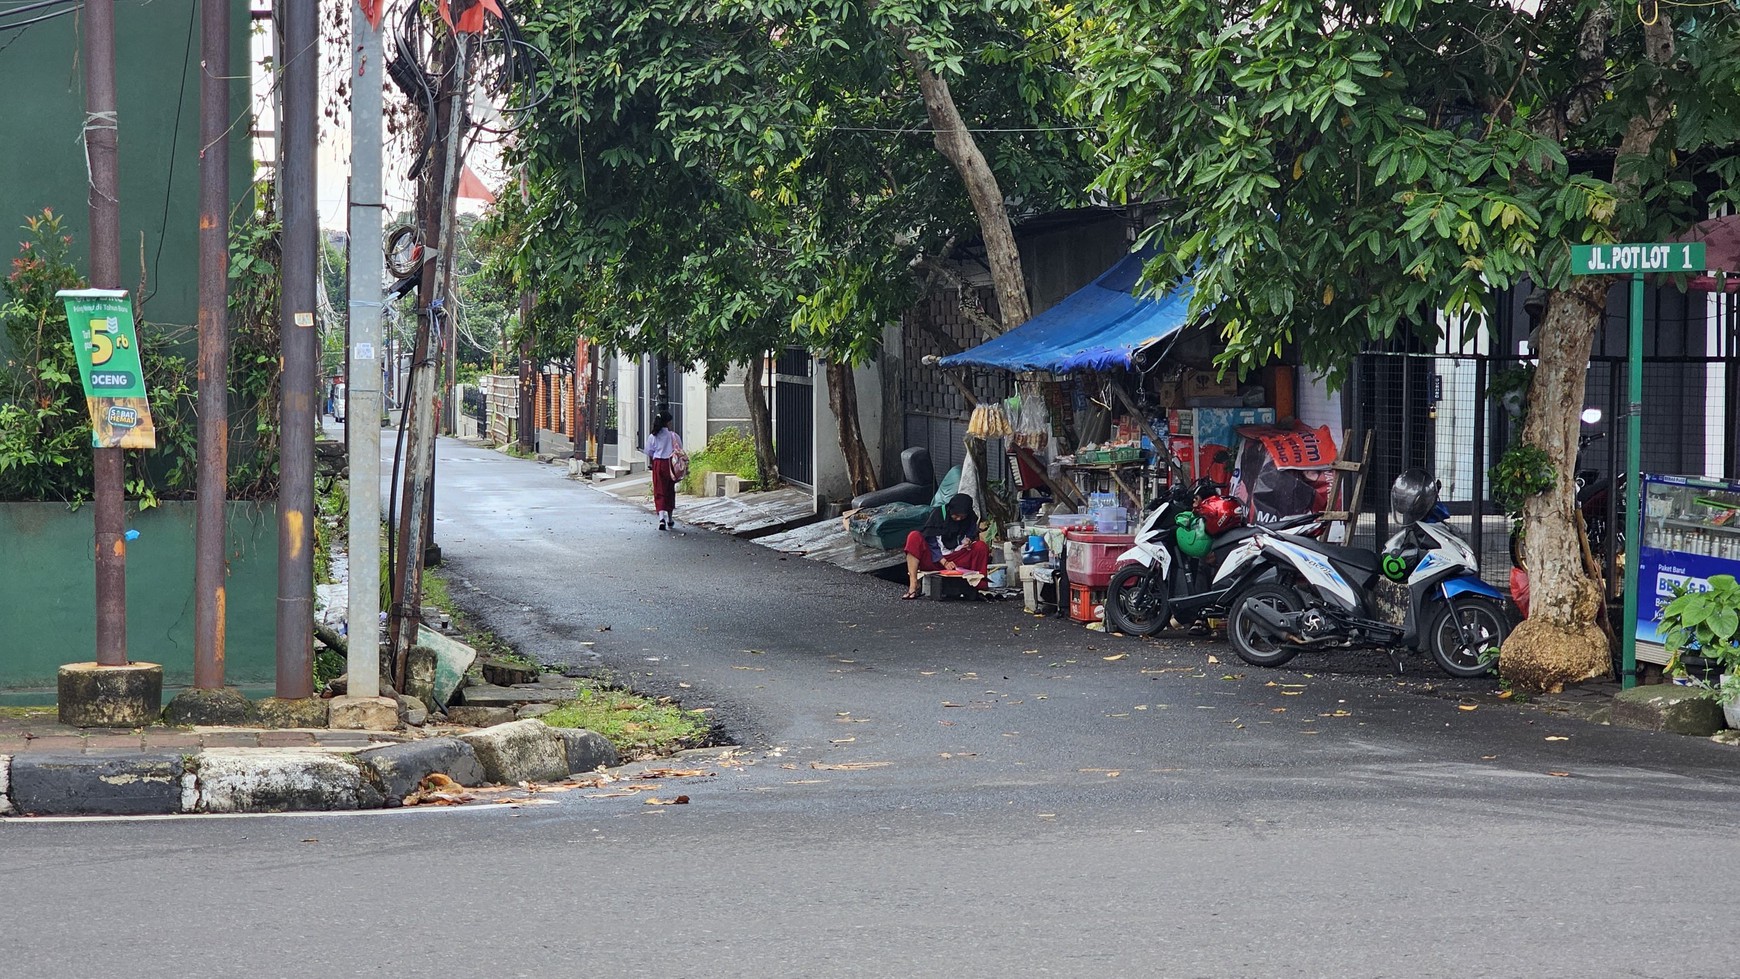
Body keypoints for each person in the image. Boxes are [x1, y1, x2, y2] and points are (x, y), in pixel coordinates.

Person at [901, 493, 990, 599]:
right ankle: (913, 584)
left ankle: (978, 586)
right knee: (914, 536)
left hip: (956, 559)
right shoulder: (938, 515)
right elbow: (930, 540)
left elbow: (971, 533)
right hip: (934, 560)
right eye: (956, 516)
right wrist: (944, 561)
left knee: (981, 546)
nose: (958, 519)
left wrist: (969, 540)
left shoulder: (970, 518)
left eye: (962, 517)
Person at [645, 411, 683, 530]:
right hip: (670, 464)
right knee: (669, 490)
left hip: (658, 464)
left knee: (659, 490)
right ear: (667, 422)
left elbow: (649, 451)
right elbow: (680, 448)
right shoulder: (673, 436)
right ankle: (670, 518)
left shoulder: (653, 436)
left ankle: (661, 518)